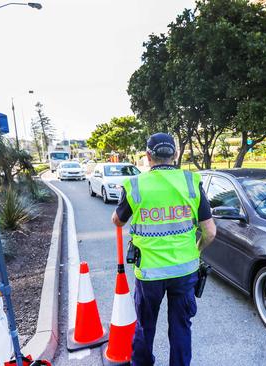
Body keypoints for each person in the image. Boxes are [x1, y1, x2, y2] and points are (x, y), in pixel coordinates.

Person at [111, 132, 216, 366]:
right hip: (185, 272)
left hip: (149, 274)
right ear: (176, 154)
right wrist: (195, 252)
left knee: (145, 327)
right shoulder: (191, 182)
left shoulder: (135, 185)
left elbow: (117, 220)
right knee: (181, 328)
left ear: (148, 156)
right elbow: (210, 232)